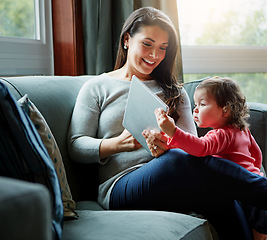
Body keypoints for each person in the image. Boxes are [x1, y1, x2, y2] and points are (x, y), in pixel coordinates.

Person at [68, 7, 267, 240]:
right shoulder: (97, 88)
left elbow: (193, 149)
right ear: (126, 40)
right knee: (178, 161)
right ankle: (261, 191)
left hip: (177, 178)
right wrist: (118, 144)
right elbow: (76, 145)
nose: (155, 55)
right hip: (121, 187)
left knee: (218, 194)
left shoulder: (175, 92)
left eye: (163, 48)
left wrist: (165, 143)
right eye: (147, 44)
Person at [145, 76, 267, 239]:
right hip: (252, 184)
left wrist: (173, 132)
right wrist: (256, 174)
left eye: (202, 104)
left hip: (243, 195)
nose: (195, 110)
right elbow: (256, 155)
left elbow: (199, 148)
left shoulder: (221, 135)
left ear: (225, 110)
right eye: (195, 105)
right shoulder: (243, 130)